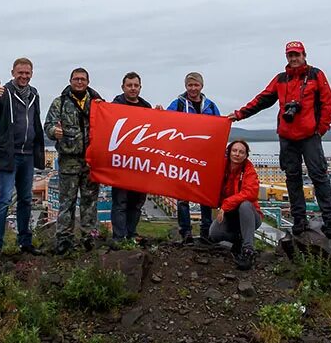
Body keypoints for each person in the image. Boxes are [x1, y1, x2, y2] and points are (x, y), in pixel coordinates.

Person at [229, 41, 331, 238]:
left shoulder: (316, 75)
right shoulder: (281, 79)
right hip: (287, 137)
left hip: (310, 136)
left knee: (319, 176)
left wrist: (319, 129)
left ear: (304, 55)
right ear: (286, 58)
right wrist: (239, 115)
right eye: (290, 55)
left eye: (297, 55)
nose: (294, 58)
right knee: (292, 178)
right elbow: (262, 100)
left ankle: (329, 221)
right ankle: (299, 220)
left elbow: (328, 103)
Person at [0, 58, 45, 256]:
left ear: (32, 74)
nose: (24, 76)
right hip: (9, 155)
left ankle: (25, 242)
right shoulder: (6, 92)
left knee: (26, 199)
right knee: (4, 200)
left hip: (27, 155)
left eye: (27, 73)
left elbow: (35, 121)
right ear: (13, 72)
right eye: (20, 73)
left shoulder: (34, 94)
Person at [44, 67, 104, 255]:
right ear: (70, 81)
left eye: (82, 79)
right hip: (68, 160)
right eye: (76, 79)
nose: (79, 82)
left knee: (90, 201)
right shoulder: (59, 103)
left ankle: (89, 237)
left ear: (88, 82)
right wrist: (54, 132)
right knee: (66, 202)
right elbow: (48, 126)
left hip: (90, 161)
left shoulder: (98, 104)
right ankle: (64, 239)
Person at [165, 71, 221, 244]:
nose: (193, 88)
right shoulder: (178, 104)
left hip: (204, 156)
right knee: (182, 196)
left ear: (202, 86)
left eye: (196, 85)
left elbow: (219, 127)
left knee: (204, 194)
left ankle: (206, 230)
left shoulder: (210, 106)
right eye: (190, 85)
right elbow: (165, 121)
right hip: (183, 155)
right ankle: (186, 232)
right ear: (185, 86)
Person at [109, 71, 156, 244]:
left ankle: (131, 233)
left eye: (136, 85)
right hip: (121, 163)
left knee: (137, 202)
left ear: (140, 87)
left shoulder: (146, 107)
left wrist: (160, 115)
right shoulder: (114, 106)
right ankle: (119, 237)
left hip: (141, 164)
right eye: (129, 85)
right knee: (120, 201)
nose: (133, 88)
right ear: (123, 87)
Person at [208, 139, 262, 270]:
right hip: (230, 214)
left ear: (246, 155)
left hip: (249, 214)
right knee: (214, 234)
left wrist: (225, 204)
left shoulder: (249, 170)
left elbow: (251, 193)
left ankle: (248, 250)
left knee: (244, 204)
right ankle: (239, 240)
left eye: (241, 152)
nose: (237, 154)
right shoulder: (221, 167)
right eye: (234, 150)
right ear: (229, 152)